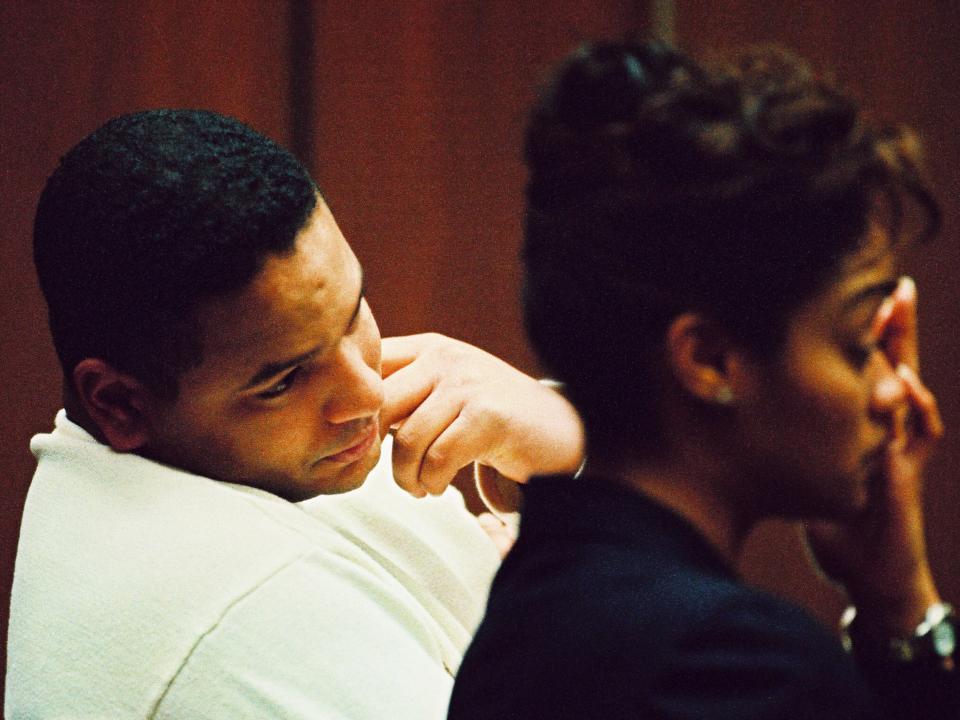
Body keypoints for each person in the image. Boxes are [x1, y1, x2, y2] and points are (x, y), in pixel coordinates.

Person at [5, 109, 584, 719]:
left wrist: (567, 442)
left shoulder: (264, 461)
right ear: (120, 403)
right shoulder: (246, 609)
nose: (368, 396)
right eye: (285, 379)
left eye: (355, 311)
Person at [449, 40, 959, 719]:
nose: (897, 393)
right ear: (710, 359)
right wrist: (911, 612)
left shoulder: (530, 612)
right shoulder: (735, 668)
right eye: (862, 344)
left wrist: (891, 598)